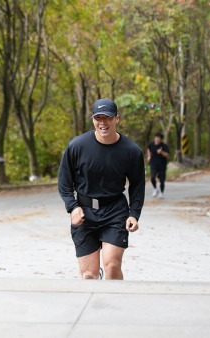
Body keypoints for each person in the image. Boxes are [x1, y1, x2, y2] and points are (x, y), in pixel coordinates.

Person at [58, 98, 145, 280]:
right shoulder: (77, 146)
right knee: (88, 275)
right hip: (85, 212)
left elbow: (137, 185)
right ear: (93, 120)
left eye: (108, 117)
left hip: (115, 211)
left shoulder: (131, 151)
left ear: (116, 119)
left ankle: (114, 305)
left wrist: (134, 214)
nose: (103, 122)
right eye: (99, 118)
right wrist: (72, 207)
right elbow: (65, 183)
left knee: (112, 266)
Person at [147, 132, 170, 199]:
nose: (157, 139)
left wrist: (161, 152)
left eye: (158, 138)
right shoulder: (151, 144)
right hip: (153, 163)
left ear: (161, 139)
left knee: (162, 180)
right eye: (156, 138)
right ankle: (155, 189)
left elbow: (167, 155)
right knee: (152, 177)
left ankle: (162, 193)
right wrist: (149, 156)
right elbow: (148, 149)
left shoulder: (164, 146)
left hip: (162, 164)